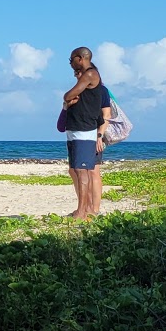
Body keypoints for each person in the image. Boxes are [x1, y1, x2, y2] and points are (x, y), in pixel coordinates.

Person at [61, 47, 113, 220]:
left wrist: (68, 97)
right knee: (77, 170)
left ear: (80, 58)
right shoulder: (88, 76)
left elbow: (69, 94)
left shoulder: (90, 74)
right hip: (77, 129)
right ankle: (87, 209)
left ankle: (83, 211)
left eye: (71, 60)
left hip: (84, 130)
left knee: (83, 171)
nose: (71, 65)